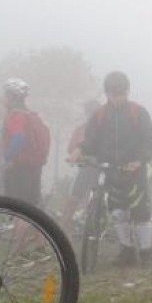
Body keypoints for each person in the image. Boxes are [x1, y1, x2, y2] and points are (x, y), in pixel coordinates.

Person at [73, 71, 152, 268]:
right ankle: (126, 251)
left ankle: (146, 254)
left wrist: (140, 160)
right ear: (107, 94)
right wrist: (79, 150)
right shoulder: (100, 115)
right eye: (112, 94)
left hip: (136, 169)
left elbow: (151, 140)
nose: (117, 98)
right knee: (118, 212)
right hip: (110, 169)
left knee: (140, 212)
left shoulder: (138, 112)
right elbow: (91, 141)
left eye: (120, 94)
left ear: (127, 92)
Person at [2, 77, 50, 206]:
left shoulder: (16, 115)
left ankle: (18, 226)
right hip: (34, 166)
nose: (4, 98)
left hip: (19, 167)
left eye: (6, 95)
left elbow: (18, 137)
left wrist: (7, 159)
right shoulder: (31, 115)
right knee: (31, 208)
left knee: (17, 208)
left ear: (11, 96)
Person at [61, 99, 101, 231]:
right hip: (84, 167)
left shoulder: (107, 128)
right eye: (90, 112)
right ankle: (64, 227)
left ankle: (95, 226)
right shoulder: (81, 129)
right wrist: (77, 154)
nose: (92, 114)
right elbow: (71, 148)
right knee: (74, 197)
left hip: (101, 169)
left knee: (97, 198)